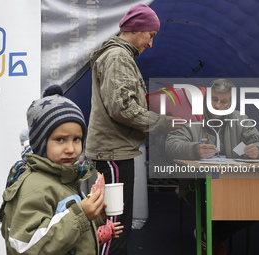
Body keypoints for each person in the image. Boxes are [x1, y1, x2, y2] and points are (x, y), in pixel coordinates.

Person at [85, 3, 177, 255]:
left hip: (115, 150)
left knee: (117, 225)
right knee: (114, 228)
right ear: (138, 29)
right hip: (113, 153)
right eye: (151, 36)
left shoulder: (118, 56)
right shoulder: (118, 57)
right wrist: (161, 122)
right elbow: (122, 108)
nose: (150, 44)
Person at [0, 87, 121, 255]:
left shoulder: (65, 178)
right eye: (60, 139)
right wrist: (82, 215)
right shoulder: (35, 187)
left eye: (76, 139)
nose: (70, 149)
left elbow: (61, 224)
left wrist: (95, 217)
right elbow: (25, 248)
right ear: (40, 143)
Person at [165, 78, 259, 255]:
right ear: (207, 99)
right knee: (214, 202)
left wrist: (257, 150)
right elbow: (171, 145)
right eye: (214, 100)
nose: (218, 105)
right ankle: (212, 238)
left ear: (231, 103)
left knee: (257, 206)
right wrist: (194, 149)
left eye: (224, 101)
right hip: (197, 184)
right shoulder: (192, 116)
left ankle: (209, 237)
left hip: (233, 183)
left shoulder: (240, 119)